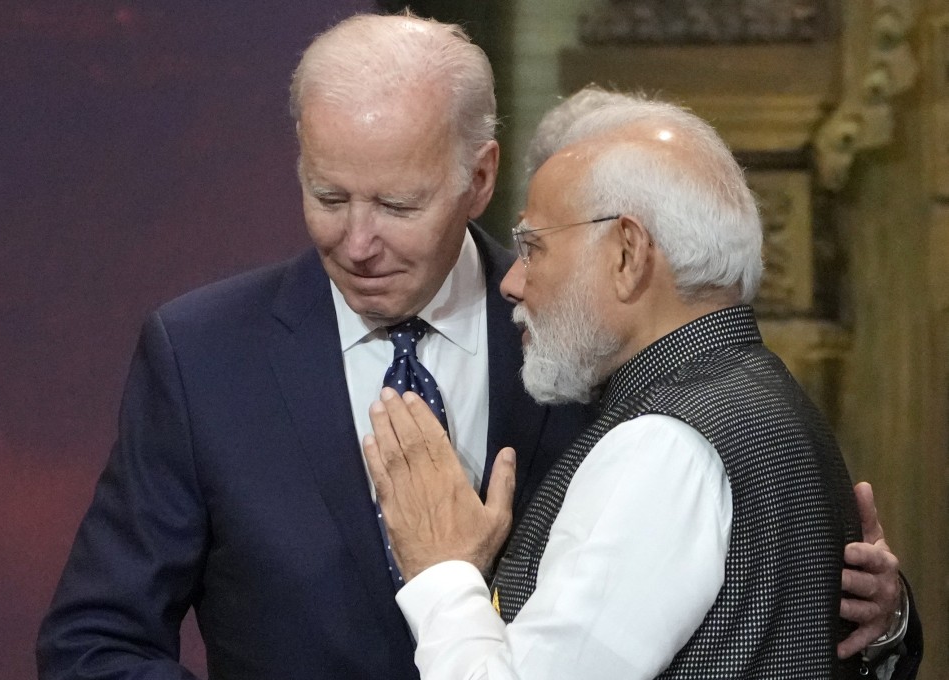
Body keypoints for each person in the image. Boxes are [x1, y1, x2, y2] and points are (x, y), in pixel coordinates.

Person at [36, 14, 911, 680]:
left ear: (479, 178)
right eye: (329, 196)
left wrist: (882, 621)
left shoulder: (590, 345)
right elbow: (92, 643)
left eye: (399, 204)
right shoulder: (201, 356)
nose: (358, 240)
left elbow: (749, 595)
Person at [363, 93, 920, 679]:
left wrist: (443, 570)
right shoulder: (757, 390)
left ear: (628, 253)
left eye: (534, 247)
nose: (514, 281)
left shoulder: (664, 445)